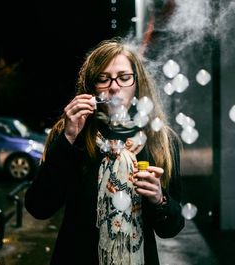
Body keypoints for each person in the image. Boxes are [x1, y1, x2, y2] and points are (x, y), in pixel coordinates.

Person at [24, 37, 185, 265]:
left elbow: (171, 229)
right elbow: (39, 207)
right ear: (91, 88)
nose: (114, 87)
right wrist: (68, 138)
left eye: (124, 77)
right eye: (103, 79)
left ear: (137, 83)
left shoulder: (161, 140)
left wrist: (160, 200)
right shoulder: (71, 133)